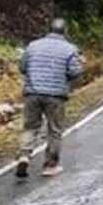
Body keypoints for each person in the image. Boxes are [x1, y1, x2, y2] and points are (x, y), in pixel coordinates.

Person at [18, 18, 84, 179]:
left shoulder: (33, 45)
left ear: (49, 30)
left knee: (30, 127)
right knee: (54, 130)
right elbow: (75, 72)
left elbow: (22, 67)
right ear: (65, 31)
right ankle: (50, 165)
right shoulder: (70, 49)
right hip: (55, 96)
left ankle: (24, 156)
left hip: (32, 93)